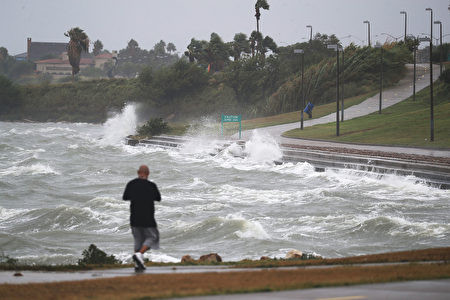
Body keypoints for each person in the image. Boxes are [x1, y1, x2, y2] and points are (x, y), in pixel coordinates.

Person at [123, 165, 161, 272]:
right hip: (148, 217)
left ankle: (138, 264)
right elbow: (158, 198)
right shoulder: (151, 185)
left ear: (138, 172)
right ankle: (139, 254)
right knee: (153, 237)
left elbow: (125, 197)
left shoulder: (131, 184)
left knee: (138, 240)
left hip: (134, 217)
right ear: (148, 173)